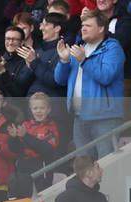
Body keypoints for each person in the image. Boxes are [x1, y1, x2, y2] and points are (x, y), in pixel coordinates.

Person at [54, 10, 125, 159]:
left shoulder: (113, 48)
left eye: (88, 25)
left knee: (105, 165)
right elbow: (59, 80)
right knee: (84, 168)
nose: (83, 28)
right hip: (80, 118)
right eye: (82, 25)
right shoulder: (79, 48)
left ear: (101, 28)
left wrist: (84, 61)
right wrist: (64, 61)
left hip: (105, 117)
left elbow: (106, 76)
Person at [7, 92, 59, 191]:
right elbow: (16, 149)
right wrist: (13, 138)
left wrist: (26, 136)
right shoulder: (25, 125)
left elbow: (47, 149)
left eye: (42, 108)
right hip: (23, 175)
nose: (39, 111)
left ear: (48, 110)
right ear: (31, 109)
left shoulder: (51, 127)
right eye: (35, 108)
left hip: (41, 178)